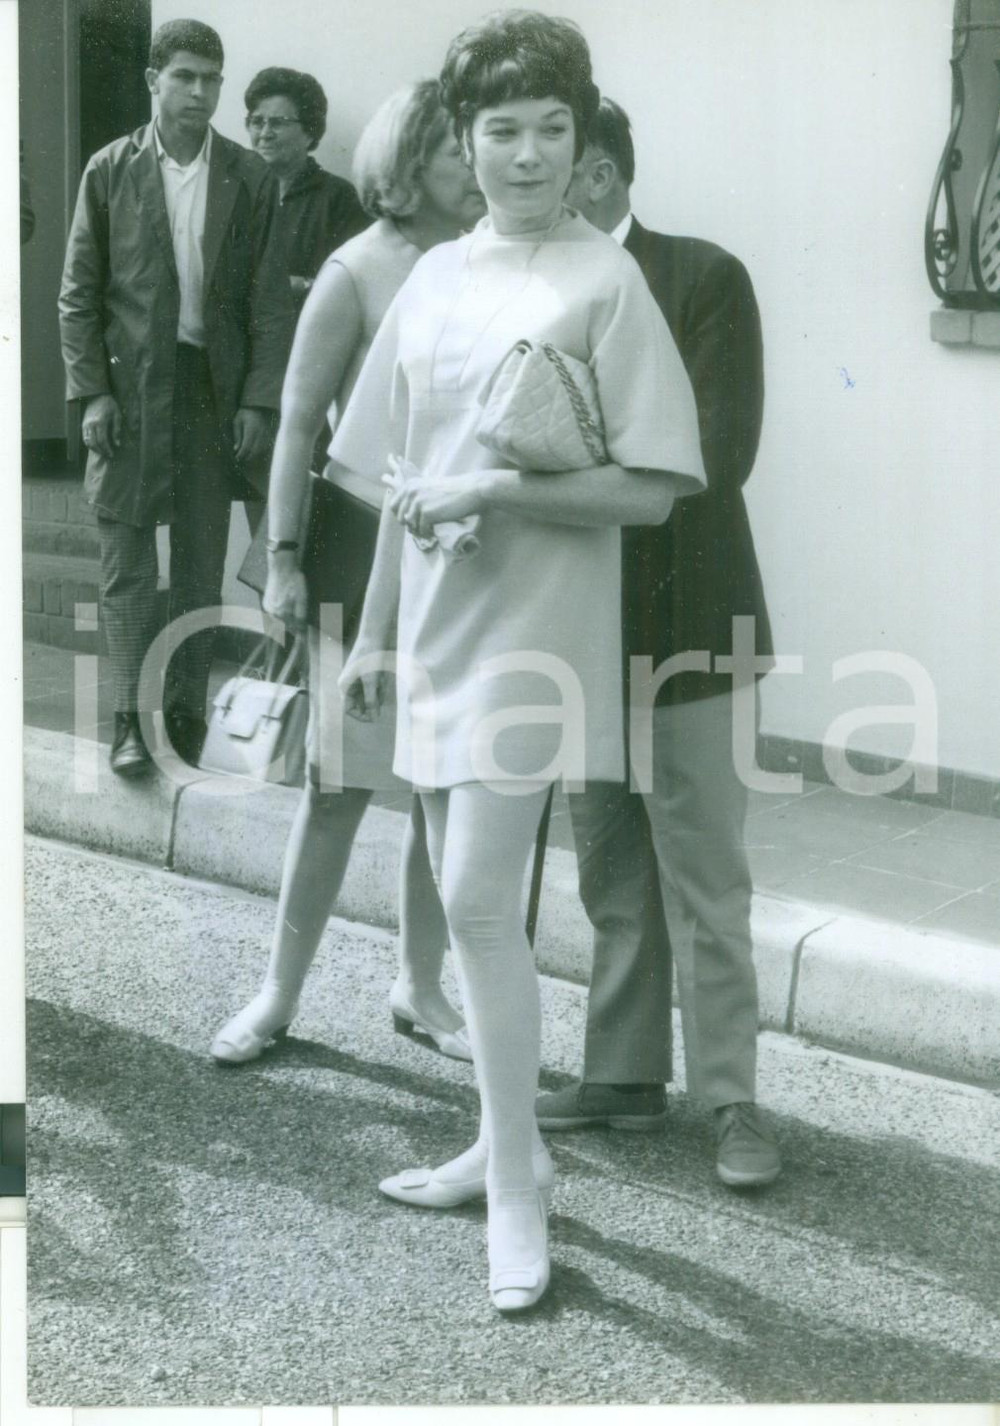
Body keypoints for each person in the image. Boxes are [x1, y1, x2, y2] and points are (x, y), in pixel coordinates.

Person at [334, 11, 706, 1312]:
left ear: (581, 137)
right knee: (462, 896)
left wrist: (497, 485)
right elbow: (398, 478)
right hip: (439, 624)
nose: (531, 153)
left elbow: (654, 487)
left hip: (537, 631)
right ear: (463, 138)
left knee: (480, 903)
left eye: (554, 128)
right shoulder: (435, 278)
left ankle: (517, 1186)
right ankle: (505, 1145)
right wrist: (371, 635)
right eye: (504, 129)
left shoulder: (607, 280)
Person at [209, 81, 486, 1067]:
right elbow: (297, 426)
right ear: (407, 168)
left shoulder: (489, 261)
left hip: (462, 560)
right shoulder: (356, 270)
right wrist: (282, 560)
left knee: (442, 786)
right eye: (457, 151)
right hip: (360, 550)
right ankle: (278, 993)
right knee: (339, 785)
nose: (478, 166)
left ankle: (419, 984)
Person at [534, 99, 780, 1188]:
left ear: (599, 173)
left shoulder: (703, 278)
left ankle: (732, 1100)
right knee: (611, 868)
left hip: (692, 622)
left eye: (557, 158)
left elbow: (714, 456)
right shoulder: (534, 293)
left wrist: (567, 473)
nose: (532, 175)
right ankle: (625, 1076)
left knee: (707, 878)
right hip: (578, 624)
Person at [59, 18, 294, 776]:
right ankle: (130, 722)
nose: (199, 92)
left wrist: (257, 401)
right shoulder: (110, 169)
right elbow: (78, 295)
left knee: (197, 563)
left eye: (211, 79)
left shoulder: (248, 176)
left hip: (208, 394)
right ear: (153, 81)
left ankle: (186, 719)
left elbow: (269, 301)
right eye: (185, 76)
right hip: (129, 393)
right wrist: (93, 393)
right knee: (127, 563)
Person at [243, 67, 368, 309]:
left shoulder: (339, 199)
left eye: (278, 123)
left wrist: (302, 285)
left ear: (310, 132)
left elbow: (359, 283)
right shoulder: (236, 191)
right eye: (257, 122)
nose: (265, 133)